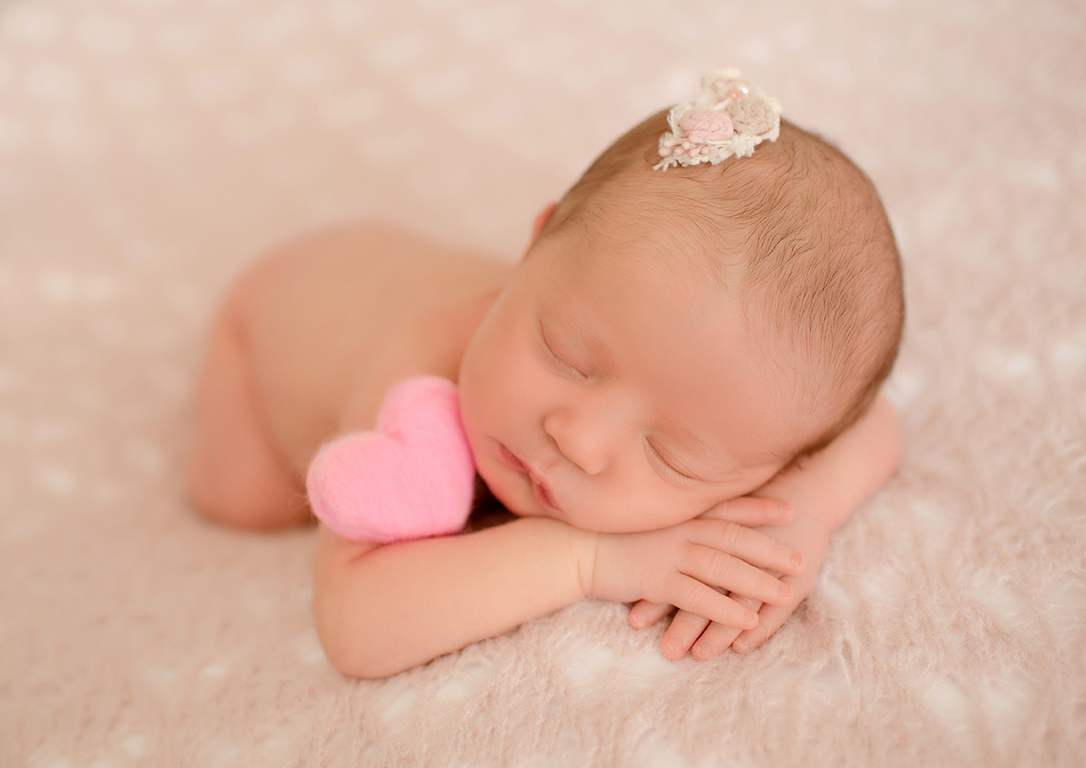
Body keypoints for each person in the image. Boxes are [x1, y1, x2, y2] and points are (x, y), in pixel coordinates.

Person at [187, 72, 905, 679]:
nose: (578, 440)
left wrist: (798, 522)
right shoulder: (419, 364)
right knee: (250, 505)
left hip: (385, 258)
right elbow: (355, 627)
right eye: (565, 356)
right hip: (271, 314)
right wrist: (588, 558)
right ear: (534, 244)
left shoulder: (726, 392)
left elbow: (869, 422)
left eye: (670, 453)